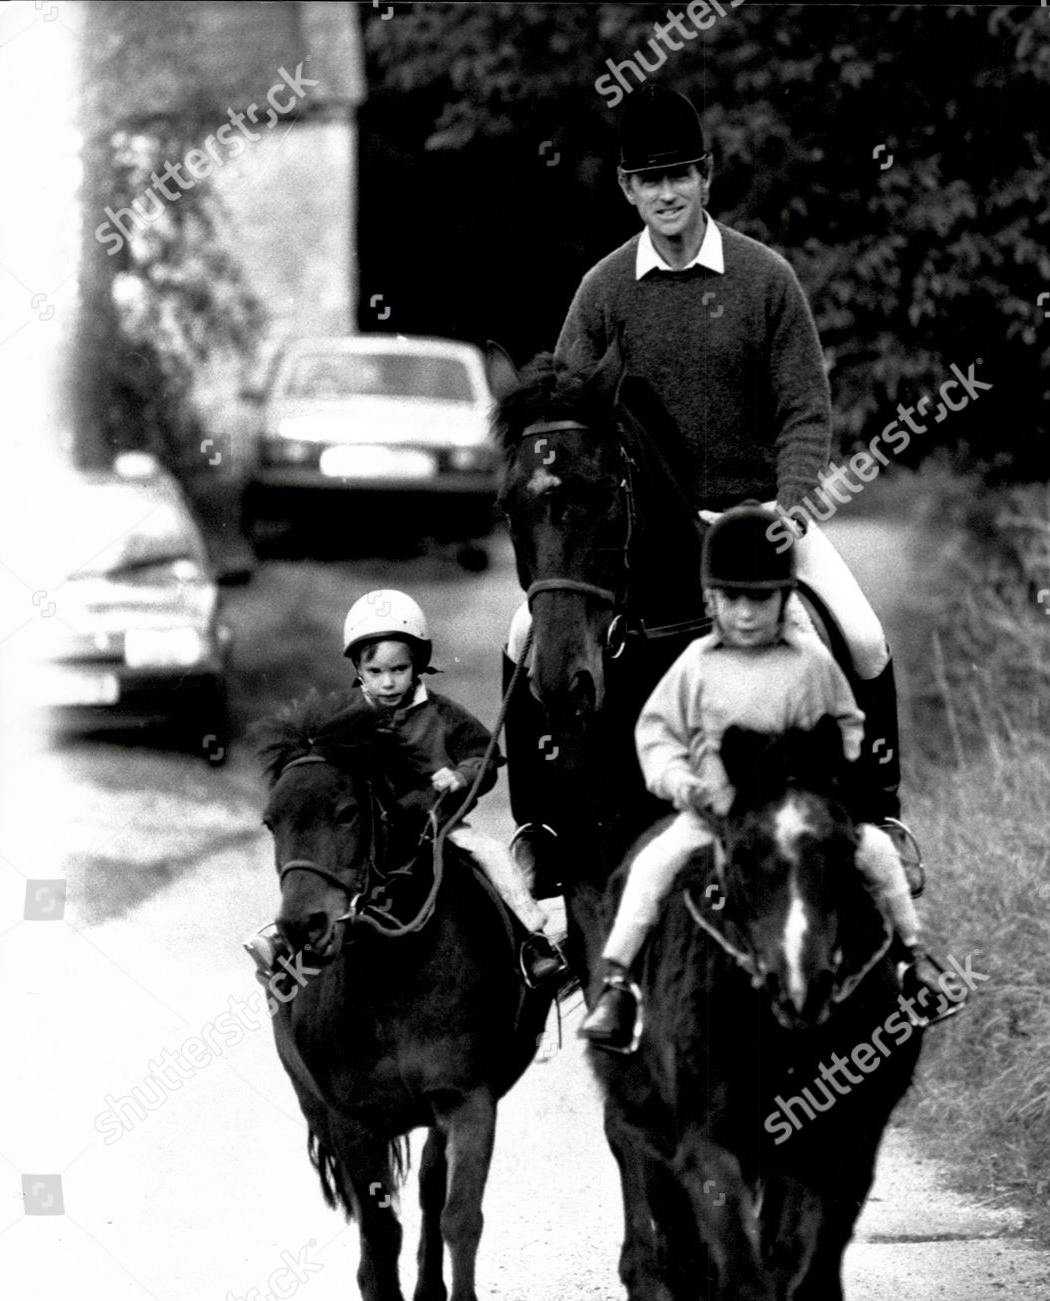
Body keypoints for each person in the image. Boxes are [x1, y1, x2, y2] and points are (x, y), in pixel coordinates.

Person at [508, 82, 911, 893]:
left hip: (751, 512)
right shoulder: (602, 291)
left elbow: (804, 411)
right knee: (523, 640)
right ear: (627, 189)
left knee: (862, 634)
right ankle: (539, 830)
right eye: (648, 180)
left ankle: (881, 813)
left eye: (680, 176)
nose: (666, 193)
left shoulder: (765, 280)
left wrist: (785, 511)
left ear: (706, 177)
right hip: (633, 527)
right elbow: (564, 414)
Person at [580, 509, 941, 1053]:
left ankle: (915, 961)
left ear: (784, 598)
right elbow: (656, 734)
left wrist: (832, 770)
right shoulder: (695, 666)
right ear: (711, 601)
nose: (746, 615)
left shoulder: (811, 664)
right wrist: (678, 781)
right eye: (732, 600)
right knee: (651, 867)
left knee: (878, 855)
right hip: (717, 814)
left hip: (799, 813)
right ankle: (618, 987)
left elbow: (849, 722)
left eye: (761, 599)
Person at [246, 589, 571, 995]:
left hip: (437, 824)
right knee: (325, 871)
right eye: (376, 672)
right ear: (358, 670)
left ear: (418, 664)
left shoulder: (441, 711)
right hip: (371, 828)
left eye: (399, 670)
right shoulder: (346, 716)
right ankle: (286, 949)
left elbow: (483, 755)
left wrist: (461, 776)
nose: (388, 682)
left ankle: (534, 945)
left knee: (493, 855)